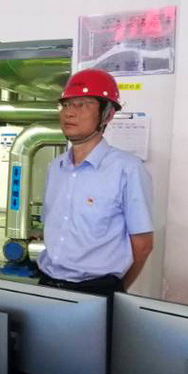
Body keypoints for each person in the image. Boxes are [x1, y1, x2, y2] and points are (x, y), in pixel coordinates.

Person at [37, 68, 154, 296]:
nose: (70, 113)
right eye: (66, 105)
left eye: (82, 105)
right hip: (47, 283)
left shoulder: (127, 169)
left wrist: (116, 291)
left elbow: (143, 245)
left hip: (96, 290)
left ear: (107, 115)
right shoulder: (56, 167)